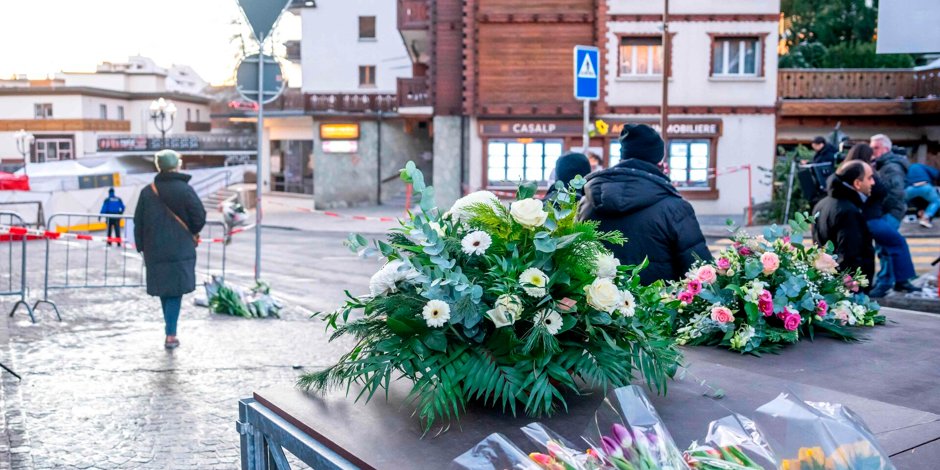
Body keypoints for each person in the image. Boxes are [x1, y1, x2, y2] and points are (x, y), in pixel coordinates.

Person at [578, 123, 712, 285]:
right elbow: (700, 271)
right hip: (659, 299)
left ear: (622, 157)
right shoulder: (675, 208)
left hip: (596, 299)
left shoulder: (586, 202)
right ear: (659, 161)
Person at [134, 150, 207, 349]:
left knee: (166, 290)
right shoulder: (185, 190)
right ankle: (171, 335)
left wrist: (141, 246)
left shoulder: (148, 191)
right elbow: (199, 216)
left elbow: (138, 222)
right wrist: (192, 232)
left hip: (154, 250)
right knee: (174, 291)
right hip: (180, 248)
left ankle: (170, 330)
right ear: (177, 165)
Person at [842, 144, 918, 296]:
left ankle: (895, 282)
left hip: (873, 216)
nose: (874, 157)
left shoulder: (857, 169)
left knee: (888, 247)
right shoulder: (863, 170)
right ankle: (896, 282)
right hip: (873, 217)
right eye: (871, 153)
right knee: (894, 244)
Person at [812, 161, 875, 285]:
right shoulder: (848, 211)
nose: (873, 182)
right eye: (869, 178)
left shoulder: (822, 204)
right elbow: (849, 254)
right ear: (857, 183)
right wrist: (853, 284)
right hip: (848, 286)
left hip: (827, 280)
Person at [869, 134, 911, 294]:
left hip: (890, 211)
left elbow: (896, 193)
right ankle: (900, 281)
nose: (872, 151)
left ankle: (884, 283)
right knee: (888, 245)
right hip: (890, 211)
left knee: (884, 247)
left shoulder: (890, 167)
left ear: (886, 148)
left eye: (876, 148)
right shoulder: (885, 164)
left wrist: (879, 207)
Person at [904, 162, 940, 228]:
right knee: (936, 201)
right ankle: (925, 218)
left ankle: (918, 212)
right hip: (925, 186)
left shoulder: (907, 169)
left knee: (901, 201)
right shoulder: (923, 167)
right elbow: (937, 174)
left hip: (910, 188)